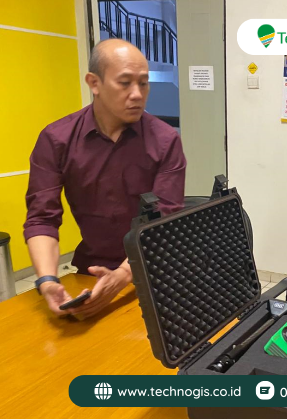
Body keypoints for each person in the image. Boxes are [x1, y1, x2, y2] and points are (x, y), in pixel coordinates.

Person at [24, 39, 186, 319]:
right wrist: (47, 280)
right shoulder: (56, 139)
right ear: (94, 83)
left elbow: (164, 222)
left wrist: (122, 275)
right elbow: (42, 218)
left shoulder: (164, 140)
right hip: (91, 271)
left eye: (144, 83)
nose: (137, 94)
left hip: (156, 271)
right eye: (125, 83)